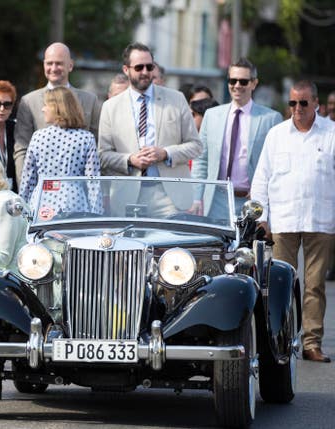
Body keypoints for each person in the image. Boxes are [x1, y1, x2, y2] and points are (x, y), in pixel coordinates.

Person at [250, 80, 335, 363]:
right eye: (292, 103)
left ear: (316, 104)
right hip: (283, 220)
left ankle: (312, 343)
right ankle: (280, 341)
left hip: (321, 219)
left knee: (314, 285)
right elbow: (261, 178)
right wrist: (261, 218)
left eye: (303, 103)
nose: (297, 109)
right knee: (280, 283)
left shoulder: (331, 133)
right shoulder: (276, 135)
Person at [98, 42, 202, 216]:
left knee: (170, 243)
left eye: (149, 66)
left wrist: (166, 154)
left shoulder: (176, 99)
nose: (145, 72)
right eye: (139, 67)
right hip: (127, 196)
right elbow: (103, 155)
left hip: (169, 195)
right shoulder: (110, 107)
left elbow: (195, 146)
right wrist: (130, 159)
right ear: (126, 69)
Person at [190, 58, 282, 217]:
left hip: (253, 202)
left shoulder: (271, 119)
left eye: (243, 81)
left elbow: (277, 165)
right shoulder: (212, 116)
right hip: (215, 200)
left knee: (249, 243)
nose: (237, 85)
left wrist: (263, 194)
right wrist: (196, 199)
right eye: (233, 80)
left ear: (254, 83)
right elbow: (201, 160)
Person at [14, 42, 101, 184]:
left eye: (59, 63)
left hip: (78, 191)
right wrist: (27, 188)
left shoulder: (89, 100)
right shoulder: (29, 101)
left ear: (70, 65)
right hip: (41, 189)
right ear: (43, 65)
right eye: (49, 63)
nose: (53, 68)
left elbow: (97, 147)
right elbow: (22, 149)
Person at [19, 86, 101, 213]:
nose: (42, 109)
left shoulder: (38, 137)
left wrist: (23, 210)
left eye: (46, 105)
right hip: (74, 204)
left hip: (41, 204)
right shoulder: (86, 138)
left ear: (57, 108)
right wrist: (96, 214)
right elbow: (93, 183)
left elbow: (28, 180)